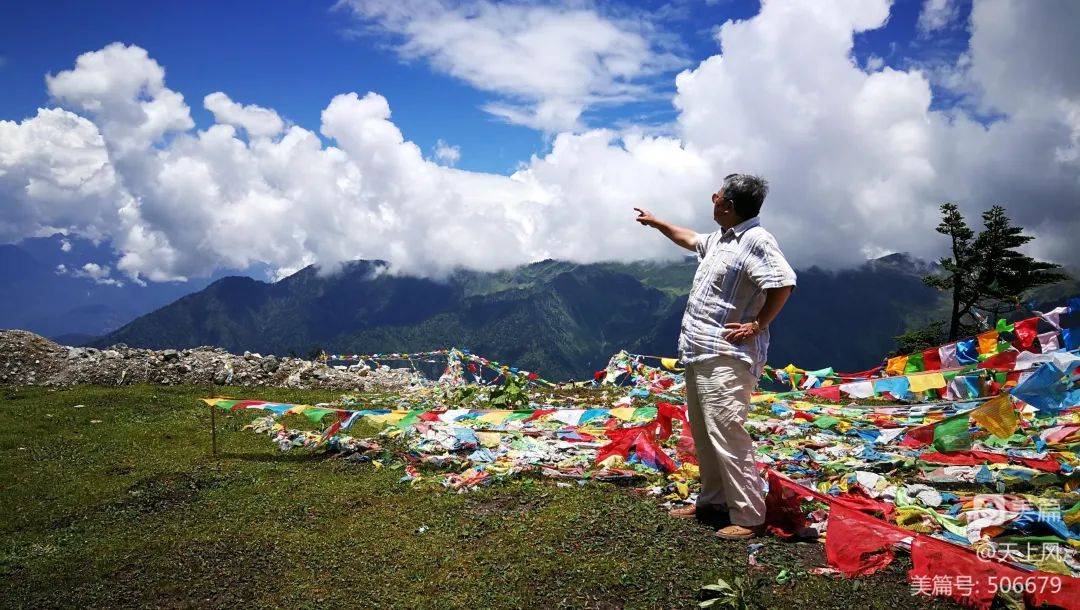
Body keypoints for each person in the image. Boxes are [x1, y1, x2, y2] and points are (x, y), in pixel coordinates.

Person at [634, 173, 795, 540]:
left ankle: (749, 515)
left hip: (727, 354)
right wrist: (657, 222)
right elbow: (689, 238)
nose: (713, 198)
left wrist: (757, 324)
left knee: (726, 430)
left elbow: (783, 282)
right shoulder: (722, 240)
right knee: (706, 432)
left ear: (729, 205)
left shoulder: (756, 240)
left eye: (718, 195)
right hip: (699, 351)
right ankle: (712, 502)